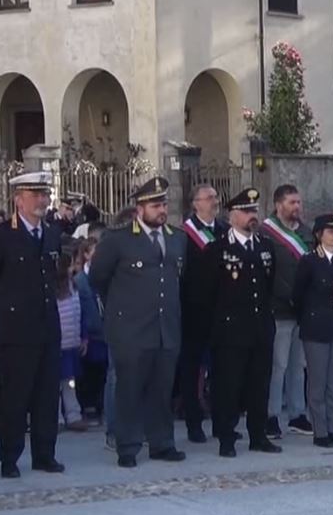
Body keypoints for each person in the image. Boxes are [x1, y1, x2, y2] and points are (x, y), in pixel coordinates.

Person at [90, 176, 188, 468]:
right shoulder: (118, 239)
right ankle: (128, 445)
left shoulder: (176, 238)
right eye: (156, 205)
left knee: (162, 388)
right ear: (140, 208)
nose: (162, 210)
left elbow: (178, 279)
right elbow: (98, 279)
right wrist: (121, 311)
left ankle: (162, 442)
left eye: (164, 204)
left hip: (165, 327)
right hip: (130, 329)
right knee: (129, 389)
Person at [0, 172, 66, 478]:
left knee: (46, 397)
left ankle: (45, 454)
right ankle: (10, 458)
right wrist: (0, 321)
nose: (42, 200)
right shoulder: (2, 235)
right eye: (35, 194)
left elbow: (52, 277)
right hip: (16, 331)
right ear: (18, 199)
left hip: (46, 327)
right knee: (16, 397)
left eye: (45, 194)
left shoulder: (51, 233)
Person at [206, 188, 282, 457]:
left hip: (260, 327)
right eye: (247, 212)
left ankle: (258, 435)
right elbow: (208, 293)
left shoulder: (264, 246)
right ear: (232, 215)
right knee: (229, 386)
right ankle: (226, 438)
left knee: (259, 384)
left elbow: (268, 285)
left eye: (255, 211)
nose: (253, 216)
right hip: (230, 330)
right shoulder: (218, 248)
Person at [292, 214, 333, 447]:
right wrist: (307, 318)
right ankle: (320, 432)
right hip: (316, 327)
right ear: (319, 235)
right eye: (331, 230)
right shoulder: (310, 261)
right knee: (317, 382)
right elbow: (298, 294)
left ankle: (332, 427)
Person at [175, 184, 226, 444]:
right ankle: (194, 423)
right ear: (195, 204)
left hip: (220, 312)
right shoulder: (184, 234)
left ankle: (221, 423)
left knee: (221, 370)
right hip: (192, 312)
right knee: (191, 370)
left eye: (216, 197)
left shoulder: (224, 230)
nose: (214, 202)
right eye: (208, 198)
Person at [261, 184, 311, 439]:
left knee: (298, 365)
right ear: (279, 204)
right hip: (278, 309)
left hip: (302, 310)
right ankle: (271, 415)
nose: (297, 207)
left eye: (299, 202)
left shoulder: (306, 232)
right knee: (277, 365)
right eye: (292, 202)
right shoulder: (266, 232)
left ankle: (297, 414)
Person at [74, 239, 109, 429]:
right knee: (88, 372)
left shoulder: (105, 277)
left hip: (106, 331)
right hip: (90, 332)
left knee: (103, 371)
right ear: (86, 254)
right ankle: (88, 406)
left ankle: (100, 405)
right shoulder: (80, 280)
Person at [56, 254, 87, 432]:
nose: (72, 270)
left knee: (69, 382)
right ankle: (56, 418)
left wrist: (83, 337)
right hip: (58, 345)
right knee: (54, 385)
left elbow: (80, 314)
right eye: (68, 267)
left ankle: (73, 415)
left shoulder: (74, 287)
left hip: (71, 344)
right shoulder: (54, 290)